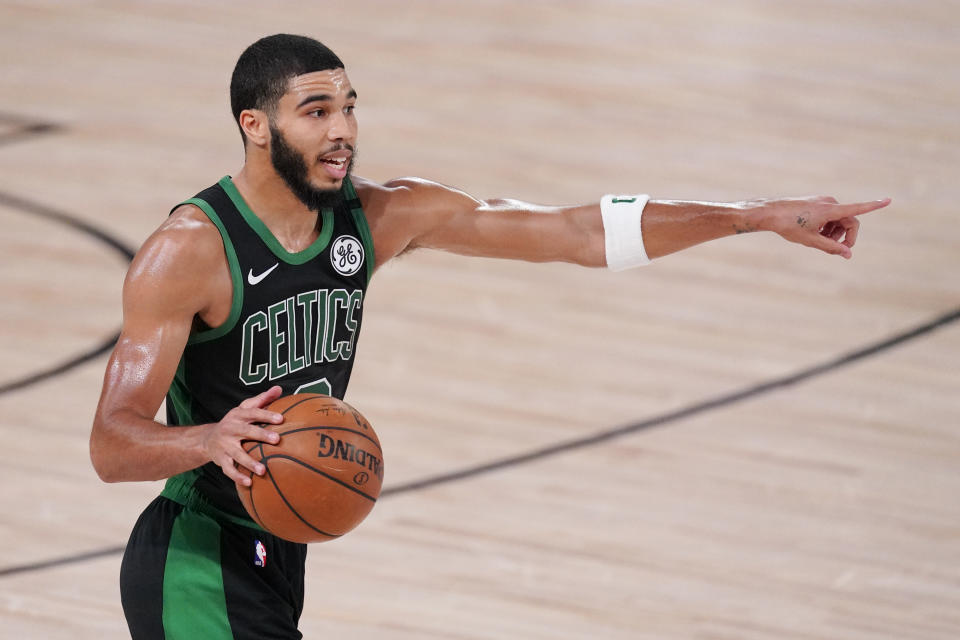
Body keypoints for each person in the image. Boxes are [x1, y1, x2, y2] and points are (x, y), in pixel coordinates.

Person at [89, 33, 890, 640]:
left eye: (349, 106)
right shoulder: (188, 250)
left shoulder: (378, 214)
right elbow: (111, 445)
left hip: (277, 546)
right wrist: (209, 440)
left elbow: (576, 232)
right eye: (316, 111)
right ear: (255, 126)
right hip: (194, 556)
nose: (343, 130)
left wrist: (751, 216)